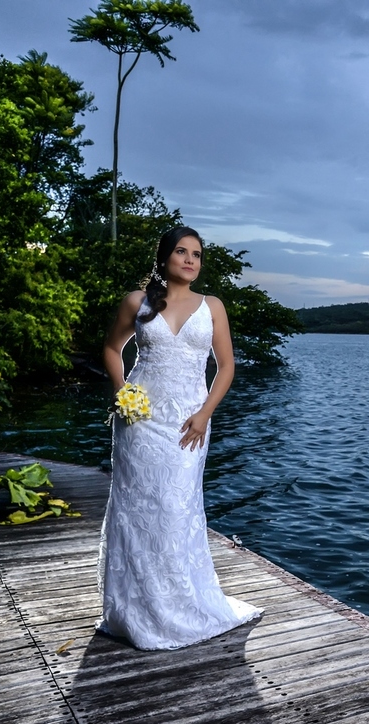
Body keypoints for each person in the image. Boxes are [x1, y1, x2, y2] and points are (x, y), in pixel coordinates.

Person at [97, 225, 261, 649]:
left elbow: (226, 366)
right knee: (137, 512)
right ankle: (137, 612)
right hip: (140, 422)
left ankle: (180, 606)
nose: (191, 260)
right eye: (182, 252)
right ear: (165, 257)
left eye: (198, 255)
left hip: (189, 423)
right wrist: (122, 394)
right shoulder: (138, 302)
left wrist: (206, 413)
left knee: (176, 508)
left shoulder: (213, 306)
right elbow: (112, 350)